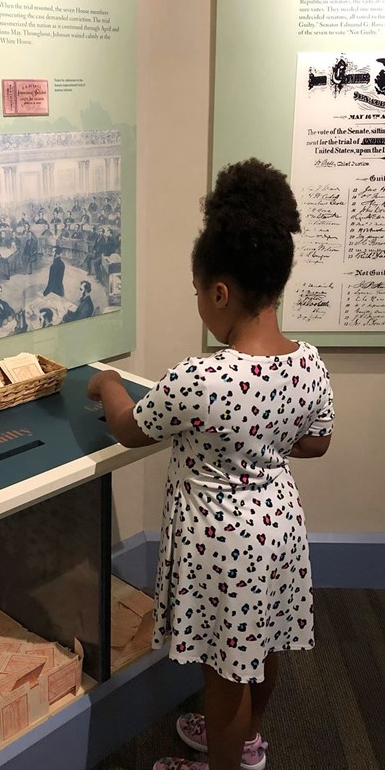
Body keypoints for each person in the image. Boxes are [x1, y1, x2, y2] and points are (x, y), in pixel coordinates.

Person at [86, 159, 334, 770]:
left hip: (222, 546)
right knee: (263, 648)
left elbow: (129, 427)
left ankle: (225, 757)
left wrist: (109, 382)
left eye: (197, 292)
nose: (198, 303)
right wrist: (266, 445)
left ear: (219, 291)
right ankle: (248, 743)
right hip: (278, 531)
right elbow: (316, 442)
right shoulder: (308, 363)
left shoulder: (203, 379)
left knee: (225, 679)